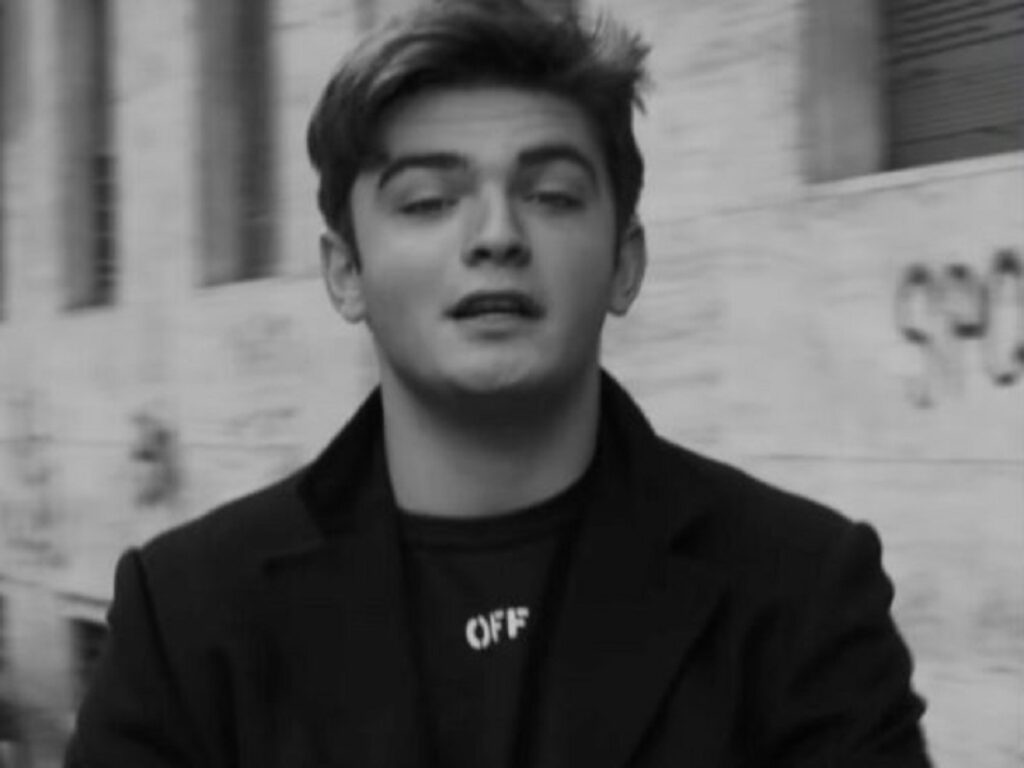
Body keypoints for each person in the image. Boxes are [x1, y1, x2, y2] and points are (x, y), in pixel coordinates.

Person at [65, 1, 932, 766]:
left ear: (624, 263)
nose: (495, 235)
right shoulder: (187, 617)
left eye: (551, 195)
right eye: (427, 201)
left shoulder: (801, 590)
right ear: (345, 273)